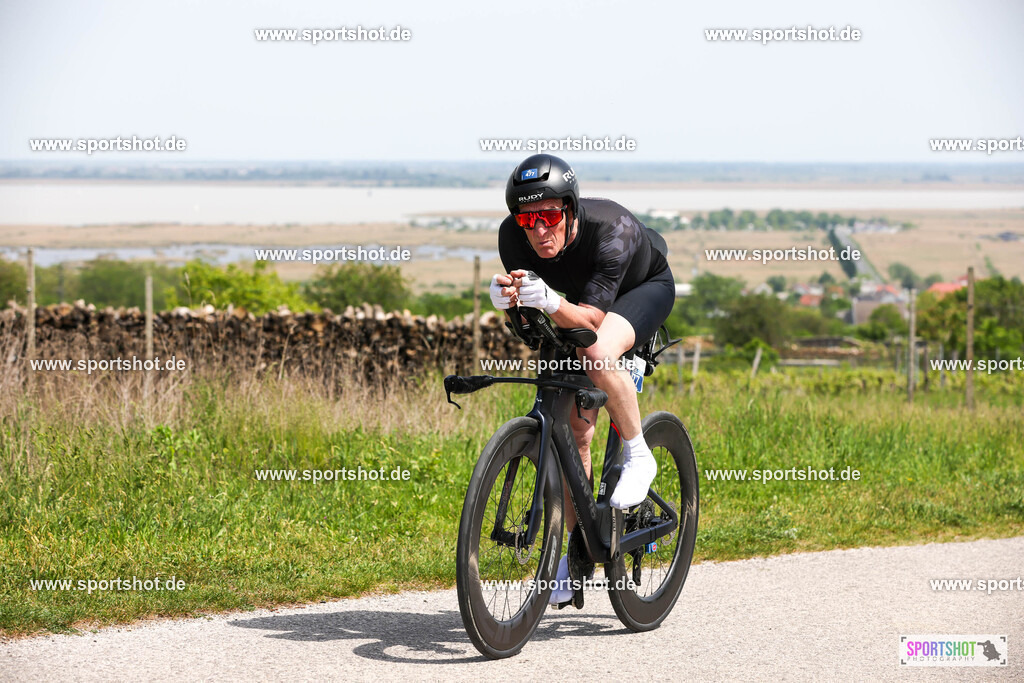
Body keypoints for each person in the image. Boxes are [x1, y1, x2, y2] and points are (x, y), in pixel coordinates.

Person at [489, 153, 675, 605]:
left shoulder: (614, 228)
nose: (538, 230)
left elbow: (591, 321)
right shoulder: (512, 238)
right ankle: (574, 556)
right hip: (578, 299)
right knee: (575, 427)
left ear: (570, 209)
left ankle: (638, 454)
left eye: (549, 216)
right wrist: (513, 307)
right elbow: (534, 328)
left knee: (595, 352)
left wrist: (550, 300)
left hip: (641, 290)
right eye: (527, 218)